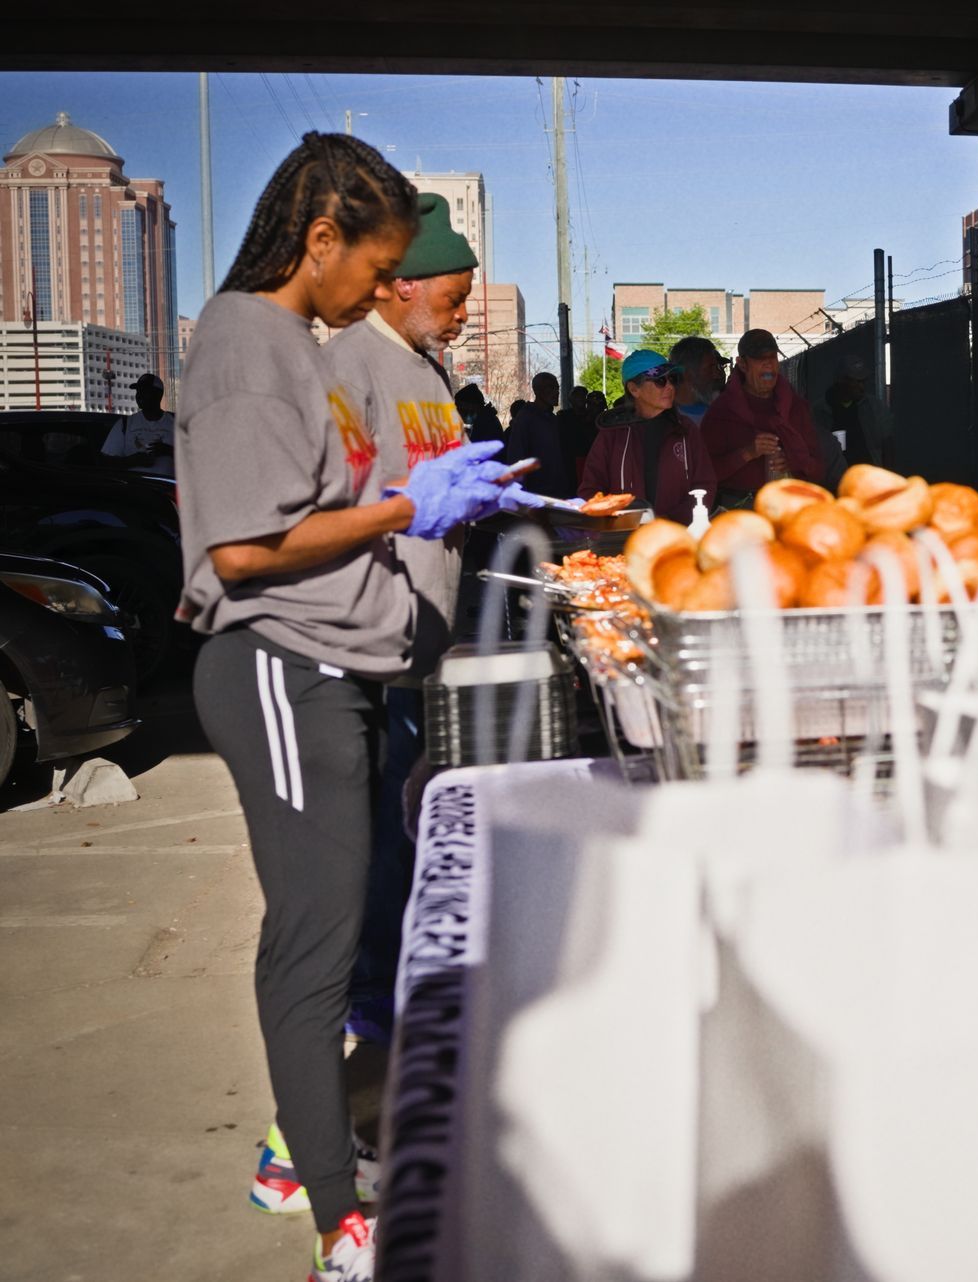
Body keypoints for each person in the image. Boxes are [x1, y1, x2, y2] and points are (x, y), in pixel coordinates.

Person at [175, 132, 532, 1281]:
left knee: (340, 926)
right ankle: (334, 1210)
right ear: (318, 239)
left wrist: (433, 506)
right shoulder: (246, 338)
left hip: (339, 666)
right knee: (318, 942)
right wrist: (401, 513)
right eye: (372, 266)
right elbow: (239, 550)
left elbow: (329, 497)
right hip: (284, 663)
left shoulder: (286, 336)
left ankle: (331, 1165)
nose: (377, 290)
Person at [324, 191, 477, 1044]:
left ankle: (400, 973)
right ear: (395, 287)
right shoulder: (350, 365)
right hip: (368, 640)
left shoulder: (426, 369)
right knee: (380, 827)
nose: (459, 318)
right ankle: (371, 1000)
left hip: (423, 633)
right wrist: (408, 505)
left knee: (413, 815)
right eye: (451, 301)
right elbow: (328, 501)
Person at [577, 349, 718, 524]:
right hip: (623, 538)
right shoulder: (612, 433)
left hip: (676, 536)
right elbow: (590, 490)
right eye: (660, 380)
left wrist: (668, 521)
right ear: (634, 389)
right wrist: (617, 521)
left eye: (672, 379)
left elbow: (705, 484)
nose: (670, 386)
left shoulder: (685, 429)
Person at [700, 327, 822, 506]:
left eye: (772, 358)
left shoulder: (796, 407)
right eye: (760, 359)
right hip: (739, 509)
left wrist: (792, 462)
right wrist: (747, 453)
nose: (768, 365)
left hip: (788, 505)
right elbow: (704, 474)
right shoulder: (722, 411)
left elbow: (819, 467)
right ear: (742, 364)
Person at [811, 354, 892, 493]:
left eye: (863, 381)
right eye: (856, 381)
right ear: (841, 381)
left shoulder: (873, 407)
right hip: (835, 486)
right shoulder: (819, 411)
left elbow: (888, 445)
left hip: (870, 483)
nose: (861, 386)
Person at [503, 372, 575, 498]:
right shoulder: (526, 418)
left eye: (557, 388)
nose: (556, 392)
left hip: (559, 491)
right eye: (551, 388)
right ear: (537, 390)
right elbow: (516, 455)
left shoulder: (553, 419)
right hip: (537, 492)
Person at [100, 372, 176, 475]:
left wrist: (168, 451)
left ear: (158, 395)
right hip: (135, 489)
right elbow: (105, 462)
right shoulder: (124, 424)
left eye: (145, 391)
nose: (139, 395)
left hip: (166, 489)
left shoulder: (176, 423)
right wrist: (132, 461)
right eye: (138, 391)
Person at [669, 334, 728, 422]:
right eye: (710, 367)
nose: (717, 374)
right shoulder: (664, 418)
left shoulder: (723, 413)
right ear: (688, 372)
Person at [556, 383, 596, 472]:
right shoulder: (564, 416)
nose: (581, 398)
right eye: (578, 396)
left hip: (589, 456)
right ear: (571, 399)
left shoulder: (592, 415)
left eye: (583, 396)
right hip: (570, 458)